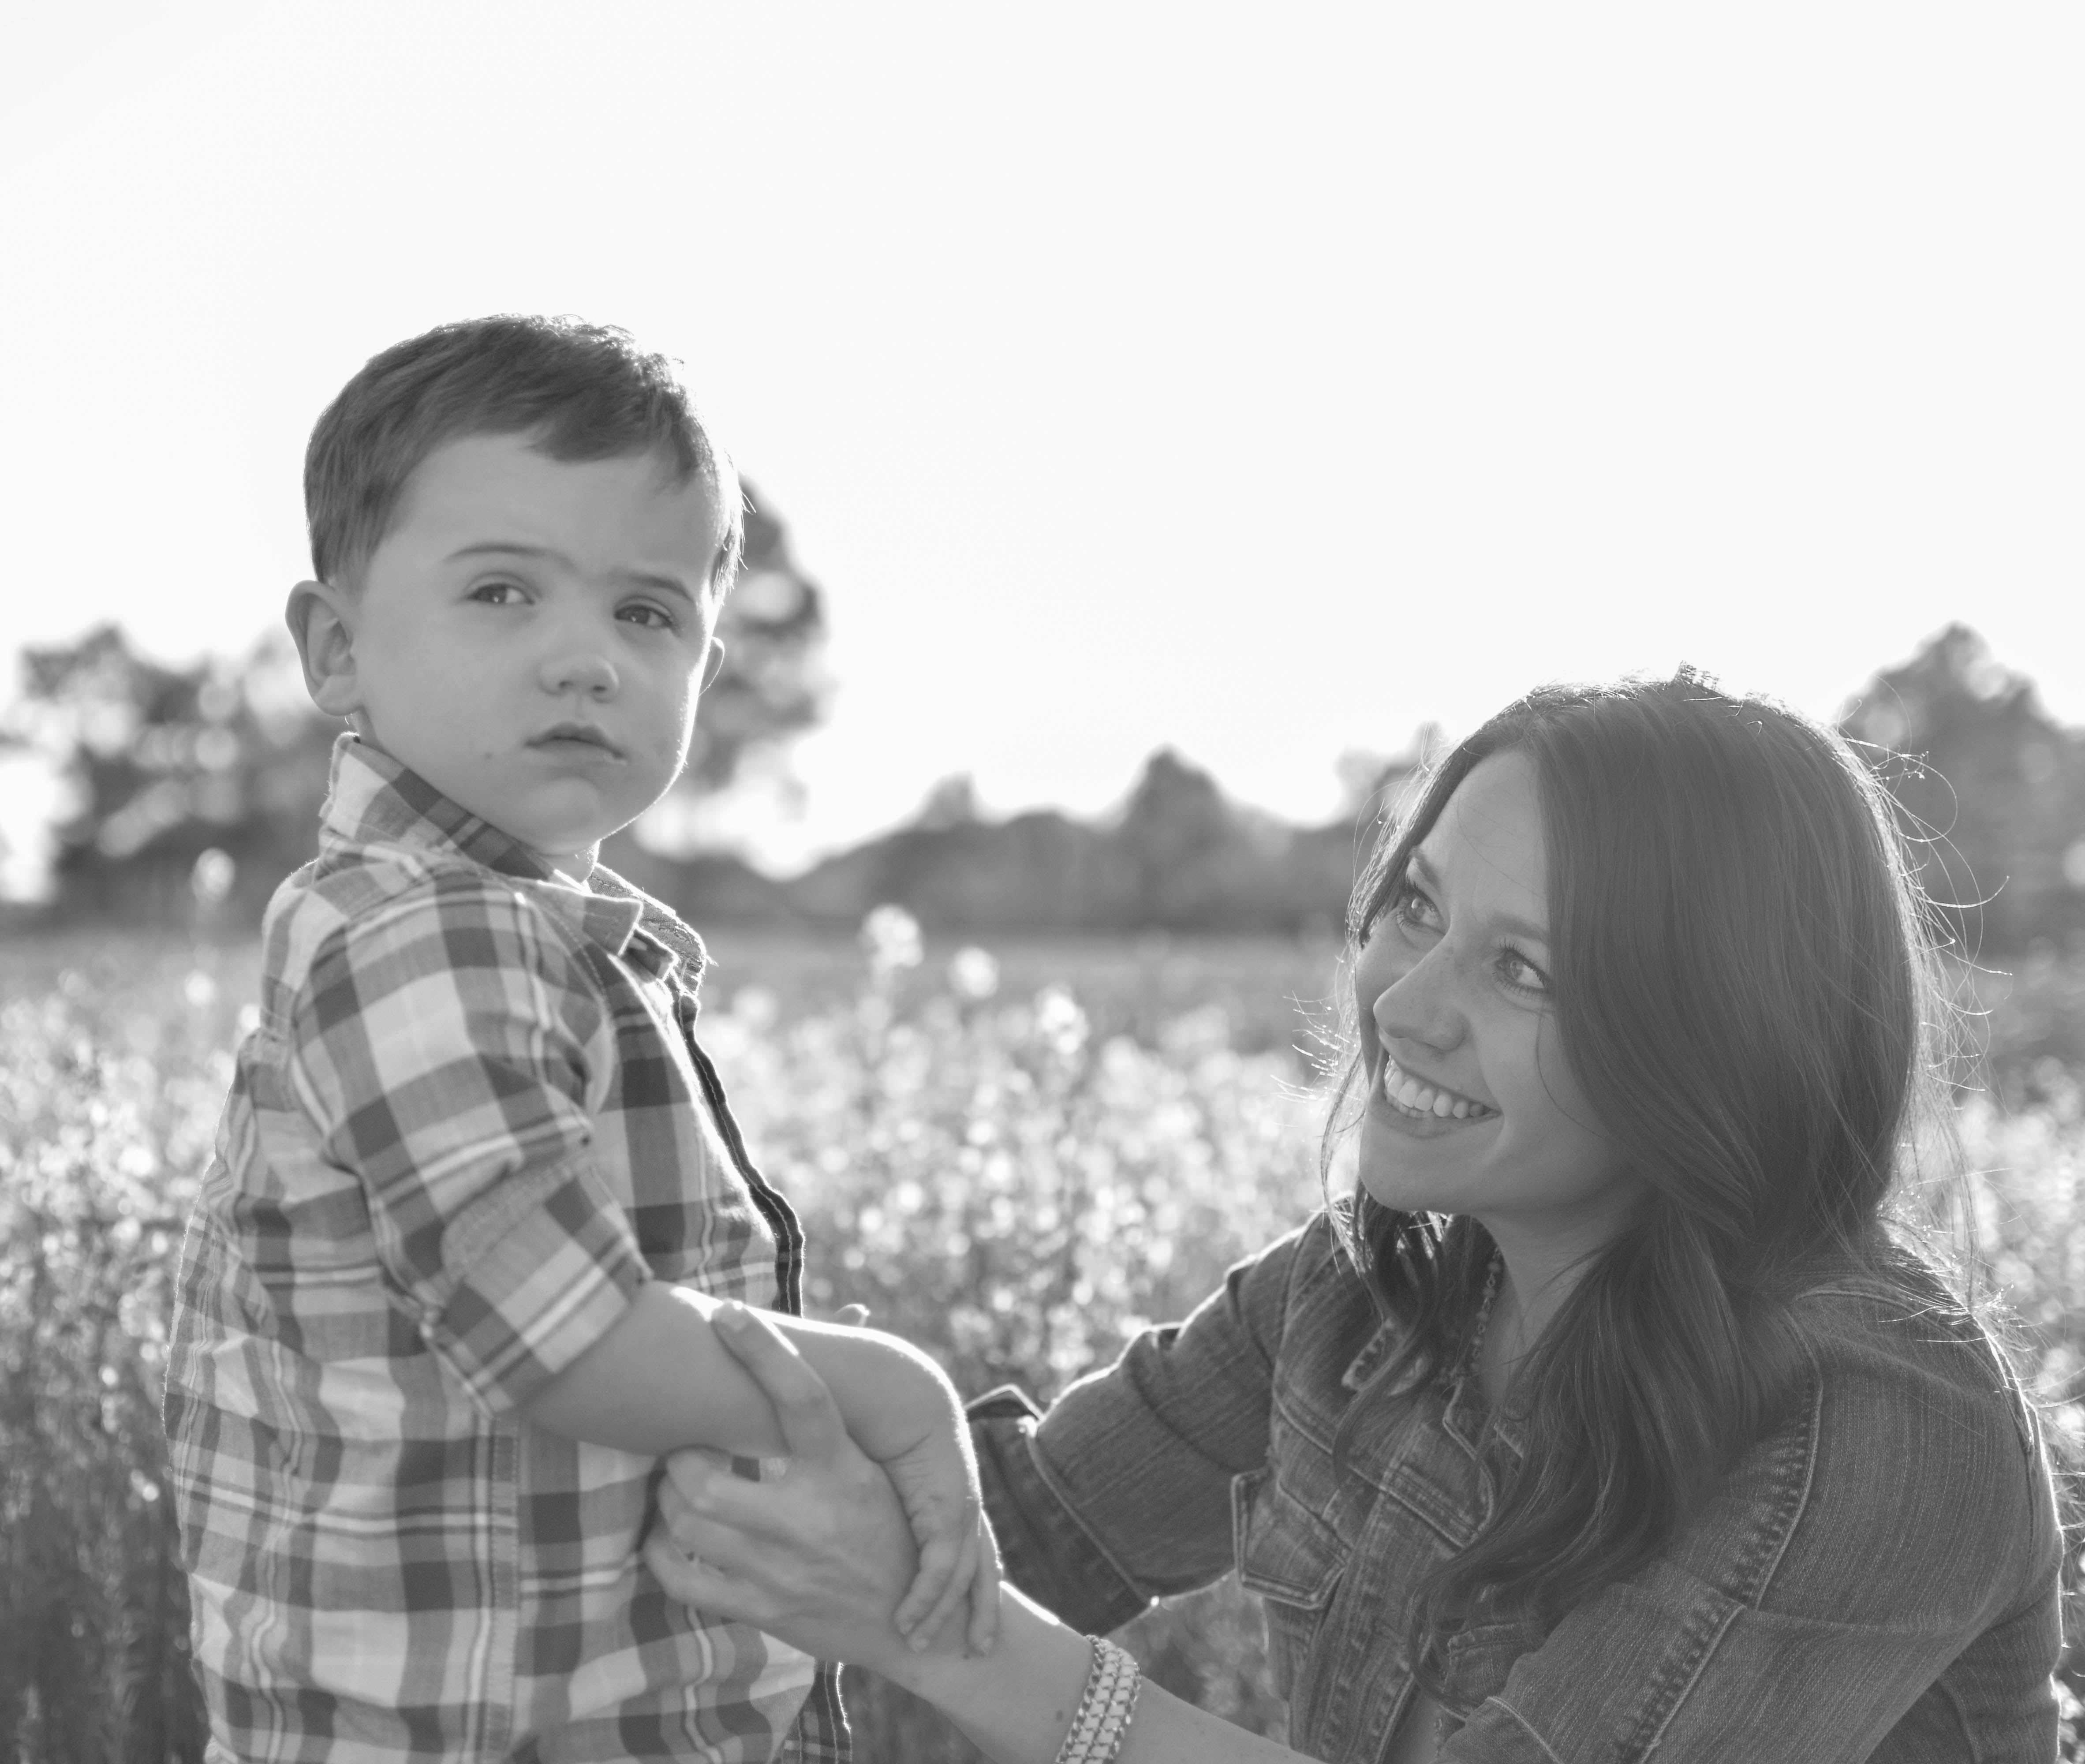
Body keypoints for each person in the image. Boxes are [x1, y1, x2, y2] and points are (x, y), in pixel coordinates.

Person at [647, 674, 2067, 1763]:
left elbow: (948, 1621)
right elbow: (1016, 1532)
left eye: (1524, 971)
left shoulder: (1883, 1419)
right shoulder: (1360, 1297)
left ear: (1713, 1044)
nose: (1406, 1004)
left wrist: (964, 1653)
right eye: (1420, 910)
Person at [157, 314, 993, 1764]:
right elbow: (569, 1341)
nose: (585, 660)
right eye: (502, 592)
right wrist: (891, 1393)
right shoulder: (428, 935)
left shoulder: (509, 932)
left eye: (647, 615)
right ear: (337, 649)